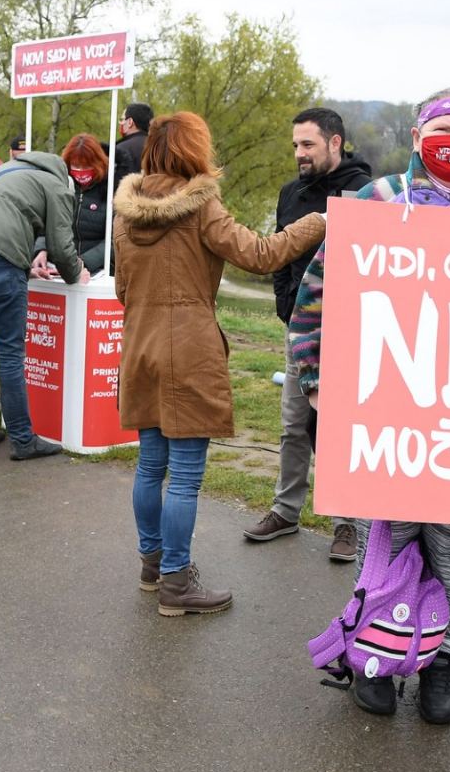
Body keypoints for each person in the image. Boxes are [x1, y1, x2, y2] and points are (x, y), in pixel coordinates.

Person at [288, 90, 450, 721]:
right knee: (384, 540)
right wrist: (313, 376)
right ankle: (373, 652)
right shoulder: (376, 201)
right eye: (442, 126)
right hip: (385, 408)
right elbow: (317, 291)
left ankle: (440, 664)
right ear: (418, 134)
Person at [113, 110, 327, 616]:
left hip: (138, 346)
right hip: (189, 350)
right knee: (185, 475)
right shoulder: (200, 205)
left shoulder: (125, 213)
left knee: (150, 464)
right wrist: (318, 222)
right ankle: (176, 584)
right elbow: (260, 254)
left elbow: (123, 288)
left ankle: (152, 565)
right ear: (194, 150)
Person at [245, 107, 373, 559]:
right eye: (296, 145)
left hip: (353, 331)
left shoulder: (367, 192)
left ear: (335, 142)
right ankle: (285, 511)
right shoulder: (289, 193)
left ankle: (346, 525)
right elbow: (279, 253)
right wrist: (286, 306)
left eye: (308, 145)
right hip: (301, 334)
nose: (299, 154)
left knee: (340, 428)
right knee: (293, 424)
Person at [0, 144, 86, 460]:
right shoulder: (57, 185)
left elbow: (4, 220)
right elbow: (61, 244)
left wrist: (28, 261)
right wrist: (76, 273)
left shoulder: (6, 171)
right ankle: (24, 441)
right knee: (12, 352)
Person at [32, 132, 111, 278]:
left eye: (86, 165)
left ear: (98, 163)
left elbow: (114, 240)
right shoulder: (60, 186)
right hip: (57, 268)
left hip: (97, 271)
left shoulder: (112, 190)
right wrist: (41, 250)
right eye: (76, 165)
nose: (80, 170)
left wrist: (83, 262)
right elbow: (45, 225)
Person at [111, 103, 153, 184]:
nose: (121, 123)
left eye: (122, 119)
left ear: (130, 122)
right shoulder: (158, 146)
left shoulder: (119, 149)